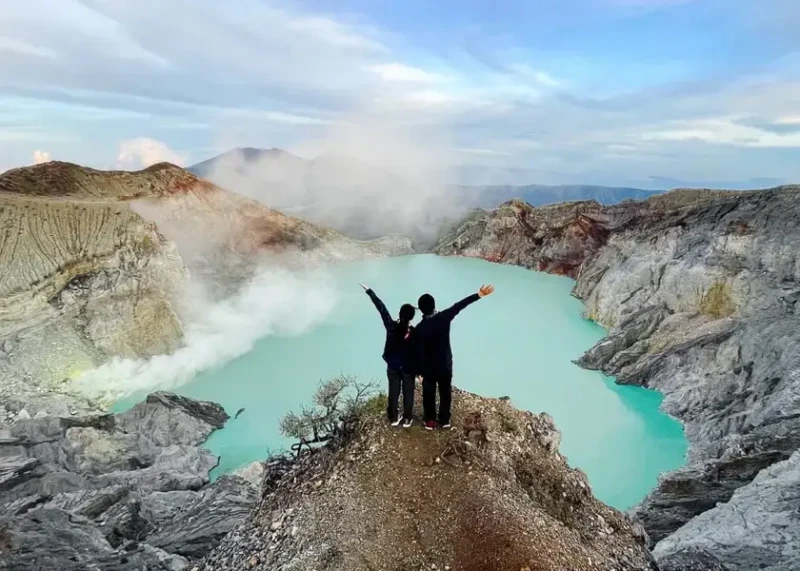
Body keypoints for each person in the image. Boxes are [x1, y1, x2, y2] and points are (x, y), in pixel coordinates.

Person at [415, 284, 495, 430]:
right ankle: (444, 421)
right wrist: (479, 294)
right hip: (445, 365)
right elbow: (459, 305)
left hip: (429, 368)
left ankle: (430, 421)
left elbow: (418, 352)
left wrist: (419, 372)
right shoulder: (444, 317)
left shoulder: (420, 328)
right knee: (445, 393)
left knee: (429, 394)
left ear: (420, 309)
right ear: (434, 306)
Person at [360, 283, 417, 428]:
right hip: (408, 366)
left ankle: (393, 417)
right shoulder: (413, 331)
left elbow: (382, 309)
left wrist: (370, 291)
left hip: (392, 364)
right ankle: (407, 419)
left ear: (399, 314)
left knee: (394, 390)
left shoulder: (391, 326)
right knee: (408, 391)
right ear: (411, 317)